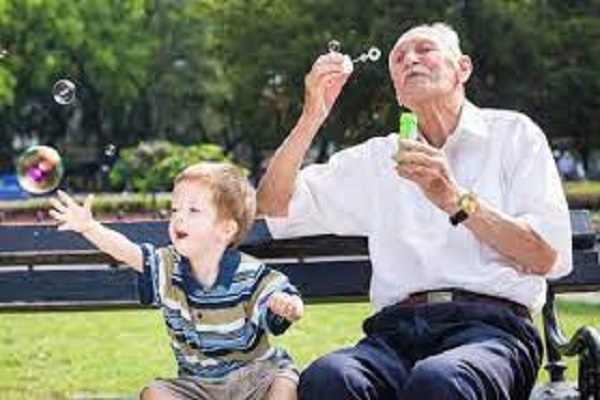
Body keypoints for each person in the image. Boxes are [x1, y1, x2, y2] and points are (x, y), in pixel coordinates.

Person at [257, 22, 572, 399]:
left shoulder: (514, 136)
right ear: (399, 94)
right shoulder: (378, 159)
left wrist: (456, 200)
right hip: (395, 334)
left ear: (463, 68)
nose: (409, 59)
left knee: (439, 380)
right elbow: (272, 207)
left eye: (424, 49)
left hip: (493, 332)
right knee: (329, 377)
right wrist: (312, 116)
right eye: (398, 58)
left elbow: (546, 256)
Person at [49, 162, 304, 400]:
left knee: (283, 385)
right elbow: (128, 251)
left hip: (254, 378)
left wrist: (287, 305)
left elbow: (277, 296)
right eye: (175, 210)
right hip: (198, 385)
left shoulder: (249, 273)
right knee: (155, 392)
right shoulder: (167, 266)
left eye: (193, 210)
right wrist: (89, 227)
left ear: (225, 229)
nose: (179, 218)